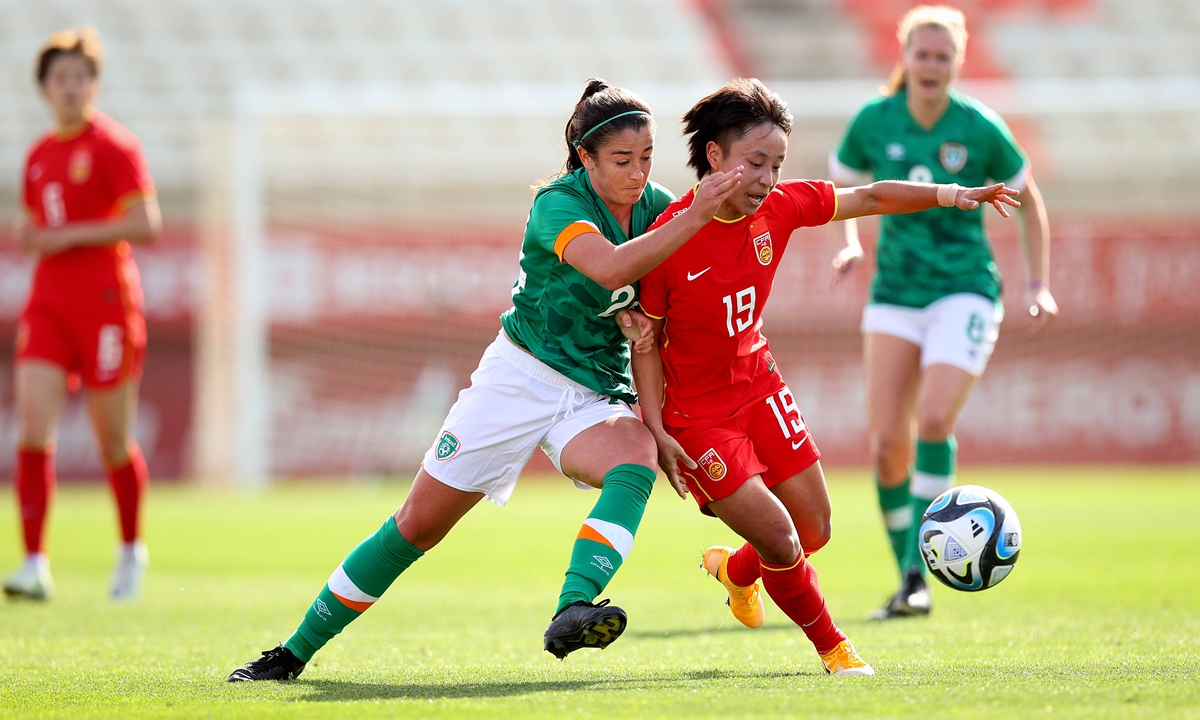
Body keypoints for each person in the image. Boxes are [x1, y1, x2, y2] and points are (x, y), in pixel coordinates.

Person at [227, 79, 743, 681]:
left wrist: (649, 326)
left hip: (595, 390)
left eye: (648, 157)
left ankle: (573, 607)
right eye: (622, 160)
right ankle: (290, 653)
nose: (638, 173)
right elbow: (609, 267)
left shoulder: (658, 206)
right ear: (585, 157)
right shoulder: (558, 203)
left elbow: (679, 286)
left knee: (636, 460)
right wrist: (696, 217)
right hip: (520, 378)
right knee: (415, 527)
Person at [632, 78, 1019, 676]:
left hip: (760, 386)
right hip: (699, 418)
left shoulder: (779, 208)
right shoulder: (669, 239)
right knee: (783, 541)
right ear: (715, 155)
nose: (767, 178)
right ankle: (836, 651)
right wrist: (656, 430)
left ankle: (735, 571)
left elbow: (867, 197)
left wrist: (948, 193)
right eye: (755, 162)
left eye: (777, 164)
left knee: (815, 529)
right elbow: (647, 344)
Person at [827, 5, 1056, 619]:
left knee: (932, 420)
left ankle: (918, 569)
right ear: (903, 58)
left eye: (942, 55)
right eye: (921, 54)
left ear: (957, 61)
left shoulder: (979, 127)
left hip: (964, 290)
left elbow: (1029, 202)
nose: (930, 65)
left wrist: (1038, 283)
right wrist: (849, 243)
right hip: (895, 294)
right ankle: (910, 575)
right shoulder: (874, 121)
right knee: (884, 448)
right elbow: (840, 194)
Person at [4, 28, 161, 602]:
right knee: (31, 431)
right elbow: (37, 230)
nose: (70, 88)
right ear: (44, 88)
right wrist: (31, 236)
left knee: (113, 442)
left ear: (93, 84)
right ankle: (34, 563)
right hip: (48, 305)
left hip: (105, 308)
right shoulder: (39, 157)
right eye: (59, 79)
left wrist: (67, 235)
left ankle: (129, 552)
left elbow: (147, 222)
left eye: (79, 78)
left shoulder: (114, 146)